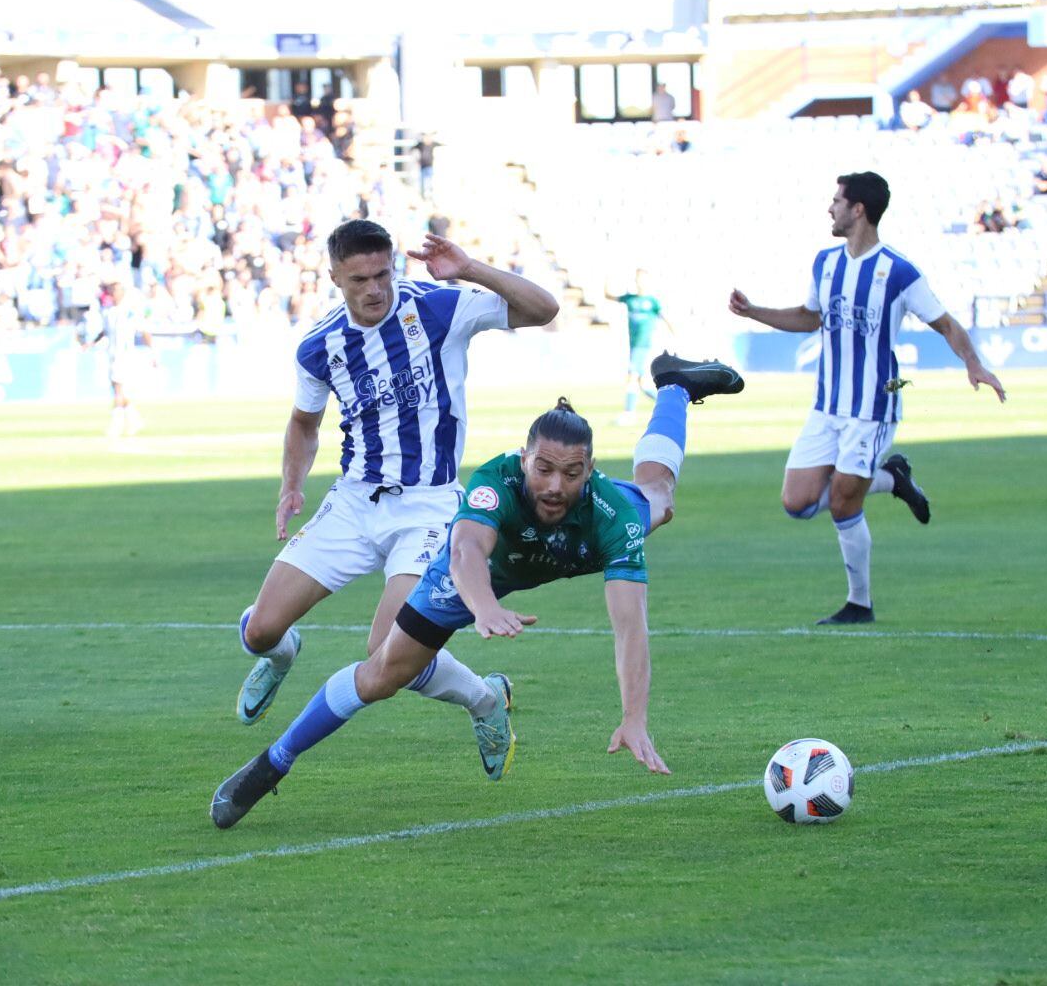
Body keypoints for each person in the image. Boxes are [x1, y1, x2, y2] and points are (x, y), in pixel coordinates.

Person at [211, 355, 747, 829]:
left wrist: (634, 718)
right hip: (475, 581)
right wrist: (485, 606)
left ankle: (673, 386)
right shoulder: (497, 483)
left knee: (659, 497)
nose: (555, 486)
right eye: (543, 469)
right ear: (523, 459)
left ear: (590, 471)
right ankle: (273, 762)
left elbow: (630, 627)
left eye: (572, 473)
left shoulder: (612, 515)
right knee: (380, 673)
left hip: (577, 547)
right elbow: (467, 552)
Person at [230, 220, 559, 749]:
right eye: (359, 279)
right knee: (259, 631)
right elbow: (303, 424)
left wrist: (470, 268)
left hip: (429, 508)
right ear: (335, 276)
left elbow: (544, 309)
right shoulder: (321, 346)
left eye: (383, 274)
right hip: (354, 503)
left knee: (387, 651)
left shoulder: (437, 308)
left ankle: (486, 699)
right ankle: (282, 652)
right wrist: (292, 484)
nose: (375, 289)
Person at [727, 172, 1006, 625]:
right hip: (827, 406)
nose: (830, 208)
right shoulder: (825, 262)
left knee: (842, 502)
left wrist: (973, 364)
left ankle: (860, 604)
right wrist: (754, 310)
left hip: (872, 409)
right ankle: (893, 479)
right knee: (796, 503)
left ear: (859, 209)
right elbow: (808, 317)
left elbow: (947, 324)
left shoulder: (899, 272)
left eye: (837, 200)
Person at [88, 277, 155, 437]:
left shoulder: (129, 312)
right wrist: (91, 342)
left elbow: (144, 330)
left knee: (118, 389)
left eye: (117, 290)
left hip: (124, 355)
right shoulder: (109, 312)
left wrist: (152, 351)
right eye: (112, 290)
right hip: (112, 354)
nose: (114, 293)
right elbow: (104, 331)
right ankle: (135, 419)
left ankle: (116, 425)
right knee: (117, 389)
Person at [606, 269, 672, 423]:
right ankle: (669, 406)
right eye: (638, 279)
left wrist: (675, 333)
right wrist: (607, 277)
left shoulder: (653, 301)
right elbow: (608, 295)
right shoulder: (630, 299)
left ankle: (629, 414)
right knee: (642, 383)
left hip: (643, 346)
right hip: (633, 345)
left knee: (632, 378)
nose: (640, 282)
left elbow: (665, 317)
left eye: (643, 279)